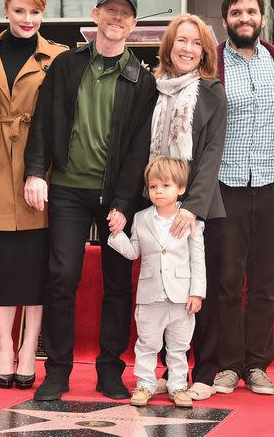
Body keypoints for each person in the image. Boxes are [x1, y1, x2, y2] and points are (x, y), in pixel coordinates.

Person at [24, 0, 157, 401]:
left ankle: (109, 370)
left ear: (133, 25)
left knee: (118, 282)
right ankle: (58, 371)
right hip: (66, 189)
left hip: (115, 198)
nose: (117, 19)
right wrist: (35, 171)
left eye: (125, 14)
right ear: (96, 15)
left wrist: (123, 203)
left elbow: (139, 148)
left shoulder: (142, 79)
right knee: (62, 276)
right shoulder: (67, 65)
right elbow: (43, 121)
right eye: (111, 11)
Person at [0, 0, 67, 390]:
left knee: (36, 260)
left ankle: (30, 347)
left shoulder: (58, 56)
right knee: (4, 259)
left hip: (38, 168)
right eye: (19, 11)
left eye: (35, 11)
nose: (27, 19)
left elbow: (62, 117)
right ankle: (4, 346)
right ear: (6, 11)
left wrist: (39, 167)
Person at [212, 0, 274, 397]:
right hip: (226, 187)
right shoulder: (212, 60)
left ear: (262, 17)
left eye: (251, 11)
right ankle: (228, 366)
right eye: (236, 12)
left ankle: (258, 365)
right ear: (225, 19)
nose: (244, 18)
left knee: (264, 284)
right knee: (227, 282)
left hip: (272, 188)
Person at [145, 13, 226, 401]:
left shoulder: (212, 92)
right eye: (181, 41)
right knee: (162, 287)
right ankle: (166, 369)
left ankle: (205, 371)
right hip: (157, 203)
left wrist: (191, 208)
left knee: (196, 289)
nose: (188, 49)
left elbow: (212, 154)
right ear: (170, 45)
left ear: (204, 50)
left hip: (197, 207)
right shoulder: (153, 89)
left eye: (196, 43)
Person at [109, 157, 205, 408]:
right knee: (147, 343)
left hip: (181, 296)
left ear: (181, 188)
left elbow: (198, 261)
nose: (159, 191)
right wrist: (117, 235)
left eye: (165, 185)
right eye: (153, 187)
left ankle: (178, 386)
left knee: (179, 345)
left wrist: (197, 293)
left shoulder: (191, 221)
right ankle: (144, 384)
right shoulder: (141, 219)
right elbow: (133, 252)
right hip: (149, 295)